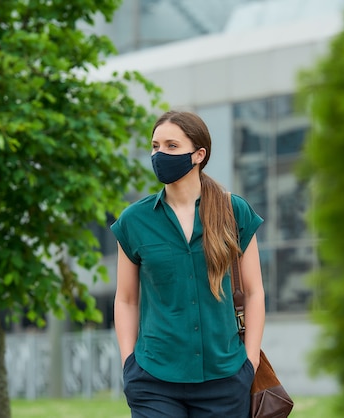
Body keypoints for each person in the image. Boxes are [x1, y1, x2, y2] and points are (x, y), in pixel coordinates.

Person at [111, 110, 265, 417]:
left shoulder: (234, 211)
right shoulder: (134, 220)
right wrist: (129, 363)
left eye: (171, 146)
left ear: (199, 154)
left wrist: (250, 362)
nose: (159, 154)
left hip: (225, 378)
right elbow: (126, 299)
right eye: (155, 146)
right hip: (153, 379)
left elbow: (254, 291)